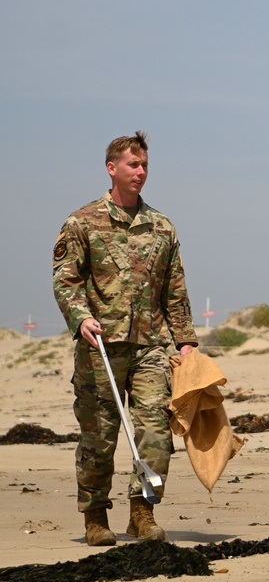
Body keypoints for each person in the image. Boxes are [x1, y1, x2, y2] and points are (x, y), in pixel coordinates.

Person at [52, 131, 198, 546]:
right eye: (133, 165)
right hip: (100, 347)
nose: (140, 172)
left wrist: (185, 342)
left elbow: (175, 289)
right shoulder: (82, 222)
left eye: (145, 165)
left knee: (154, 431)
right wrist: (81, 318)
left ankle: (142, 511)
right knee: (99, 436)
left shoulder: (162, 227)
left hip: (152, 346)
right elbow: (66, 281)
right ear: (111, 168)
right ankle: (95, 518)